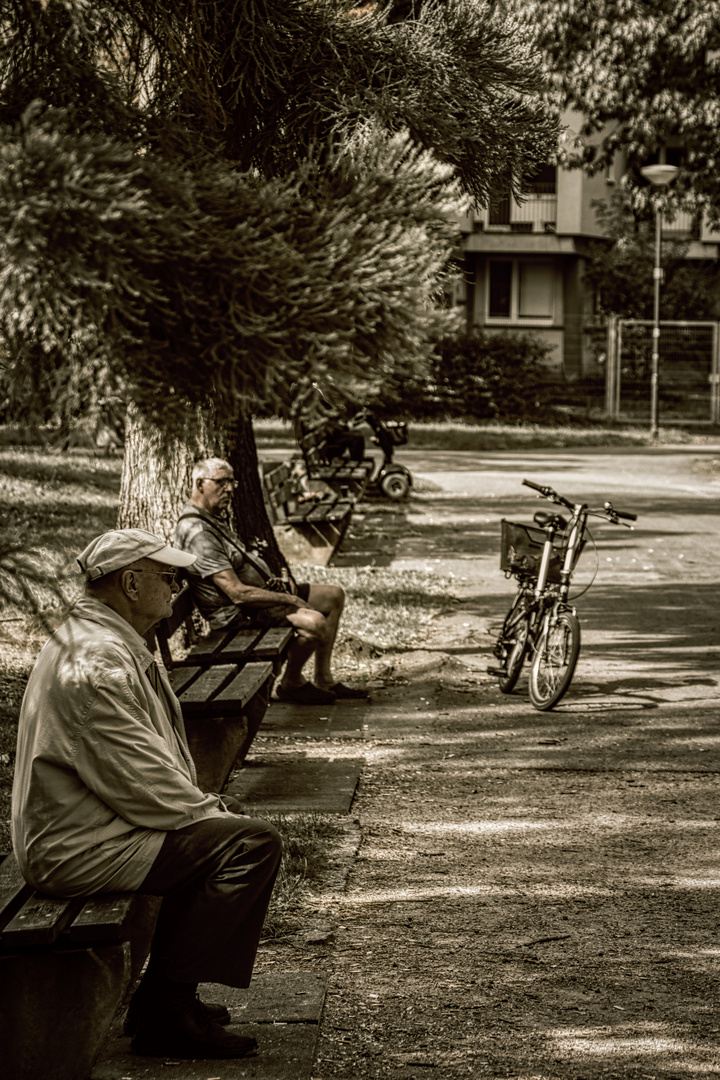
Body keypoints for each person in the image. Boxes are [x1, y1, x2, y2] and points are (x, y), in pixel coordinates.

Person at [11, 528, 282, 1060]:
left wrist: (209, 818)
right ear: (131, 583)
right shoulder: (97, 664)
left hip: (91, 827)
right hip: (76, 847)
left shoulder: (104, 641)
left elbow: (141, 776)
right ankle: (167, 1010)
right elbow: (142, 783)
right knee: (250, 845)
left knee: (221, 839)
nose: (179, 587)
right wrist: (214, 814)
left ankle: (165, 998)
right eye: (169, 577)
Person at [173, 457, 367, 706]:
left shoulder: (211, 515)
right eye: (221, 482)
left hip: (257, 601)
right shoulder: (199, 533)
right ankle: (292, 683)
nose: (230, 489)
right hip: (240, 615)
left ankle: (324, 679)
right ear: (200, 484)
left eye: (232, 482)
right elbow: (236, 593)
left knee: (333, 596)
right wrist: (288, 598)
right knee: (315, 621)